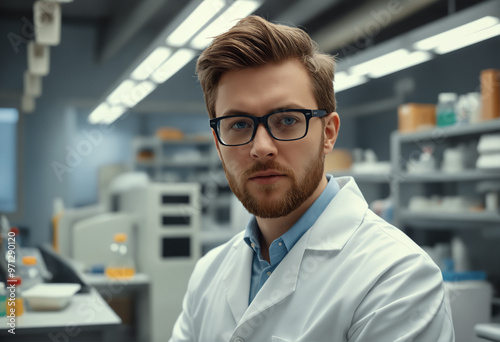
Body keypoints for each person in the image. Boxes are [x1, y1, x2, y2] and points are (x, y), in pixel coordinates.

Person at [169, 15, 454, 342]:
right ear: (219, 144)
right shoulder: (208, 273)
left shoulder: (398, 279)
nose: (261, 148)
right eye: (238, 124)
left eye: (287, 119)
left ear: (328, 134)